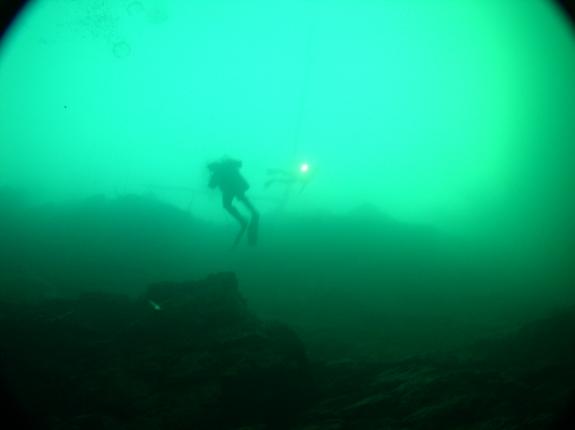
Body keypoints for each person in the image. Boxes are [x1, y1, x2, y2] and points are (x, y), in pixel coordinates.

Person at [207, 158, 259, 247]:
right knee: (243, 203)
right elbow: (239, 165)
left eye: (211, 169)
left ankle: (243, 220)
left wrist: (211, 176)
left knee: (226, 205)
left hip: (229, 190)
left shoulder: (218, 172)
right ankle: (252, 215)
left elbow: (211, 186)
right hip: (238, 188)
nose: (211, 170)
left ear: (213, 167)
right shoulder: (227, 167)